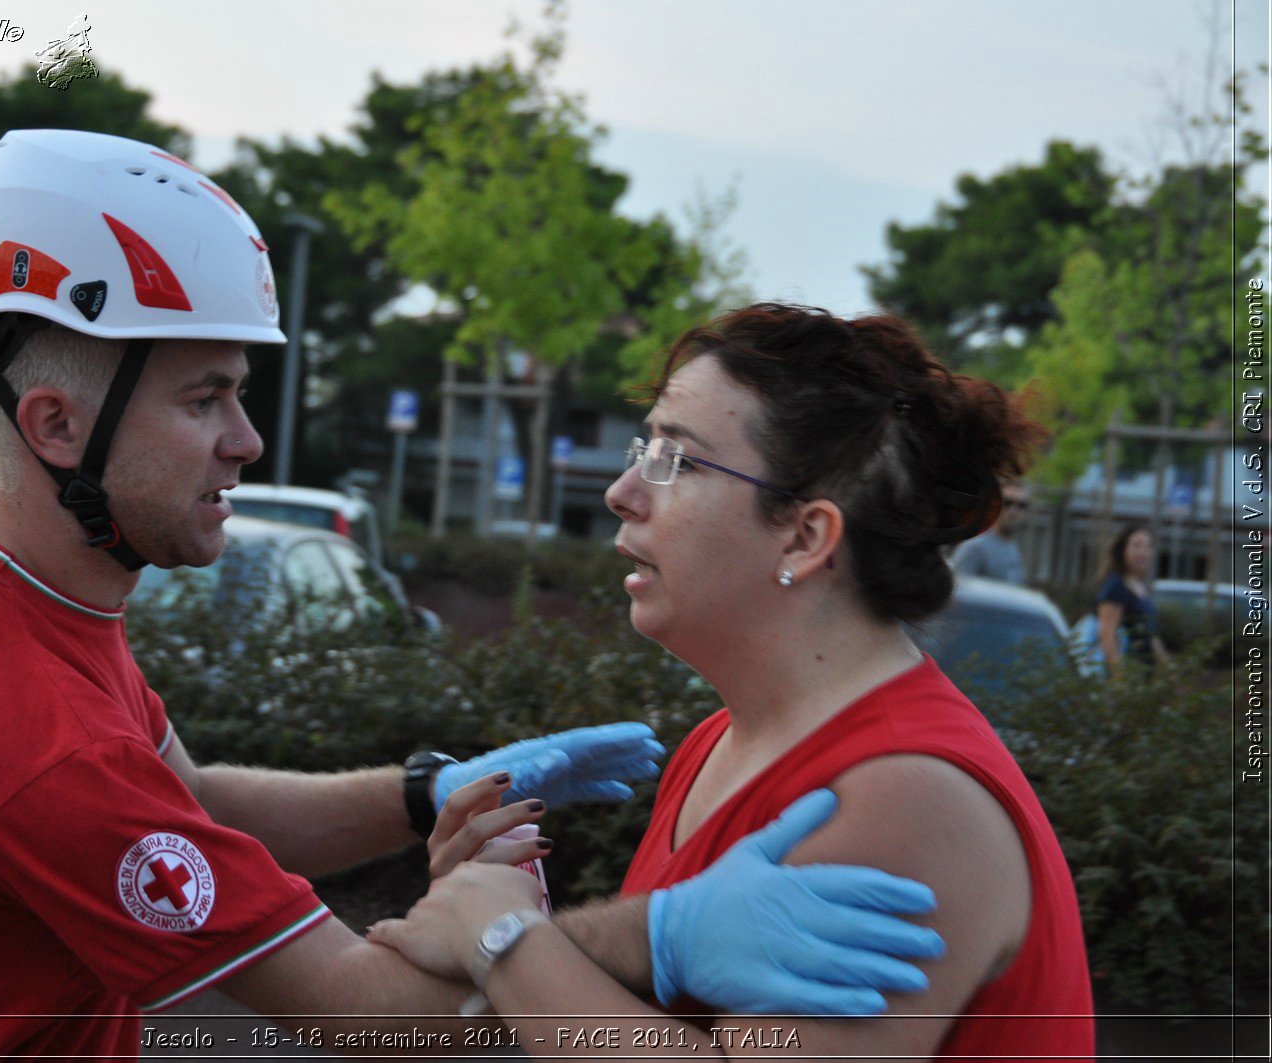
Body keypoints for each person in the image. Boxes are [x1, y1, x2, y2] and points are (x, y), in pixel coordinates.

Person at [0, 133, 945, 1059]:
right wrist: (648, 928)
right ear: (58, 425)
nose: (247, 440)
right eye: (207, 398)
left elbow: (191, 799)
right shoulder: (34, 743)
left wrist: (433, 785)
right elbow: (380, 1019)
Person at [371, 303, 1095, 1058]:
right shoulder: (722, 740)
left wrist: (502, 936)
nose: (622, 491)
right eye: (641, 446)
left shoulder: (904, 796)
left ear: (806, 535)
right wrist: (507, 907)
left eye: (674, 459)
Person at [1094, 522, 1170, 674]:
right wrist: (1118, 678)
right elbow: (1107, 634)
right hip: (1127, 677)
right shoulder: (1116, 585)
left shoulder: (1142, 587)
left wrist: (1169, 669)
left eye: (1147, 547)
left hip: (1143, 676)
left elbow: (1150, 636)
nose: (1143, 552)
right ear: (1123, 551)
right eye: (1136, 546)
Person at [949, 479, 1030, 584]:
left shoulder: (1012, 546)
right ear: (994, 506)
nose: (1014, 511)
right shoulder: (975, 547)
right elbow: (958, 591)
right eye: (1007, 503)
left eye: (1021, 505)